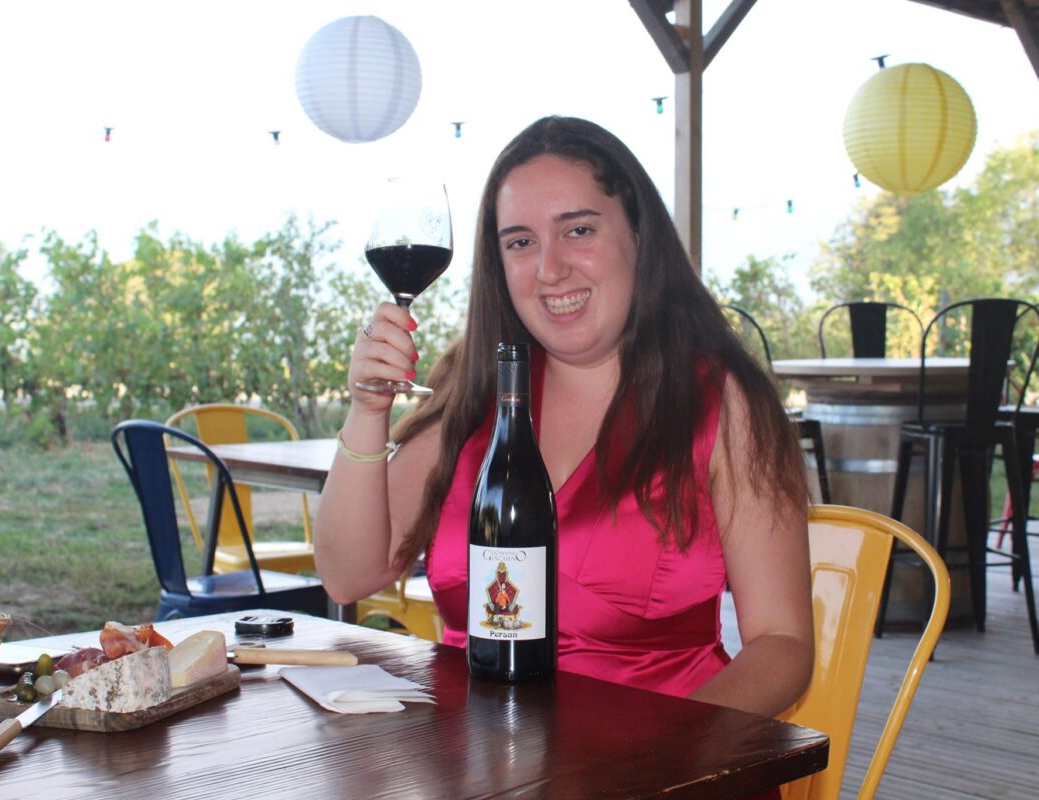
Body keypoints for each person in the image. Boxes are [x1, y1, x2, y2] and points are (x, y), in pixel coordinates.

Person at [314, 116, 814, 719]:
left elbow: (782, 645)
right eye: (520, 242)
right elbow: (347, 577)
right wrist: (368, 410)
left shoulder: (721, 403)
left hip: (660, 756)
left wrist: (672, 760)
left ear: (639, 235)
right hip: (476, 752)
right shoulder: (475, 391)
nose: (550, 269)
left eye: (578, 230)